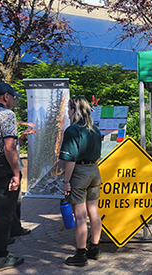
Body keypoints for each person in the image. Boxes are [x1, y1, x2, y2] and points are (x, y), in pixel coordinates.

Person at [60, 96, 102, 267]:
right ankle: (95, 248)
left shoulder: (72, 130)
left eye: (69, 108)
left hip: (79, 172)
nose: (67, 111)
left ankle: (80, 254)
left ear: (74, 110)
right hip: (94, 171)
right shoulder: (95, 129)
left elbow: (70, 160)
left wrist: (66, 181)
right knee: (93, 211)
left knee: (79, 215)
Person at [0, 81, 25, 271]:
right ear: (6, 97)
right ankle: (0, 257)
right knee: (3, 213)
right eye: (12, 97)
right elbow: (9, 146)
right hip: (1, 166)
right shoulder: (7, 115)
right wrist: (16, 173)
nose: (12, 101)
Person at [10, 122, 38, 238]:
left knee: (16, 201)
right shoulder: (1, 119)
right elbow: (8, 149)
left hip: (16, 168)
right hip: (7, 169)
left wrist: (22, 137)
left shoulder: (10, 126)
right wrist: (23, 123)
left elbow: (18, 145)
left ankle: (15, 228)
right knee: (5, 203)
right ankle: (3, 236)